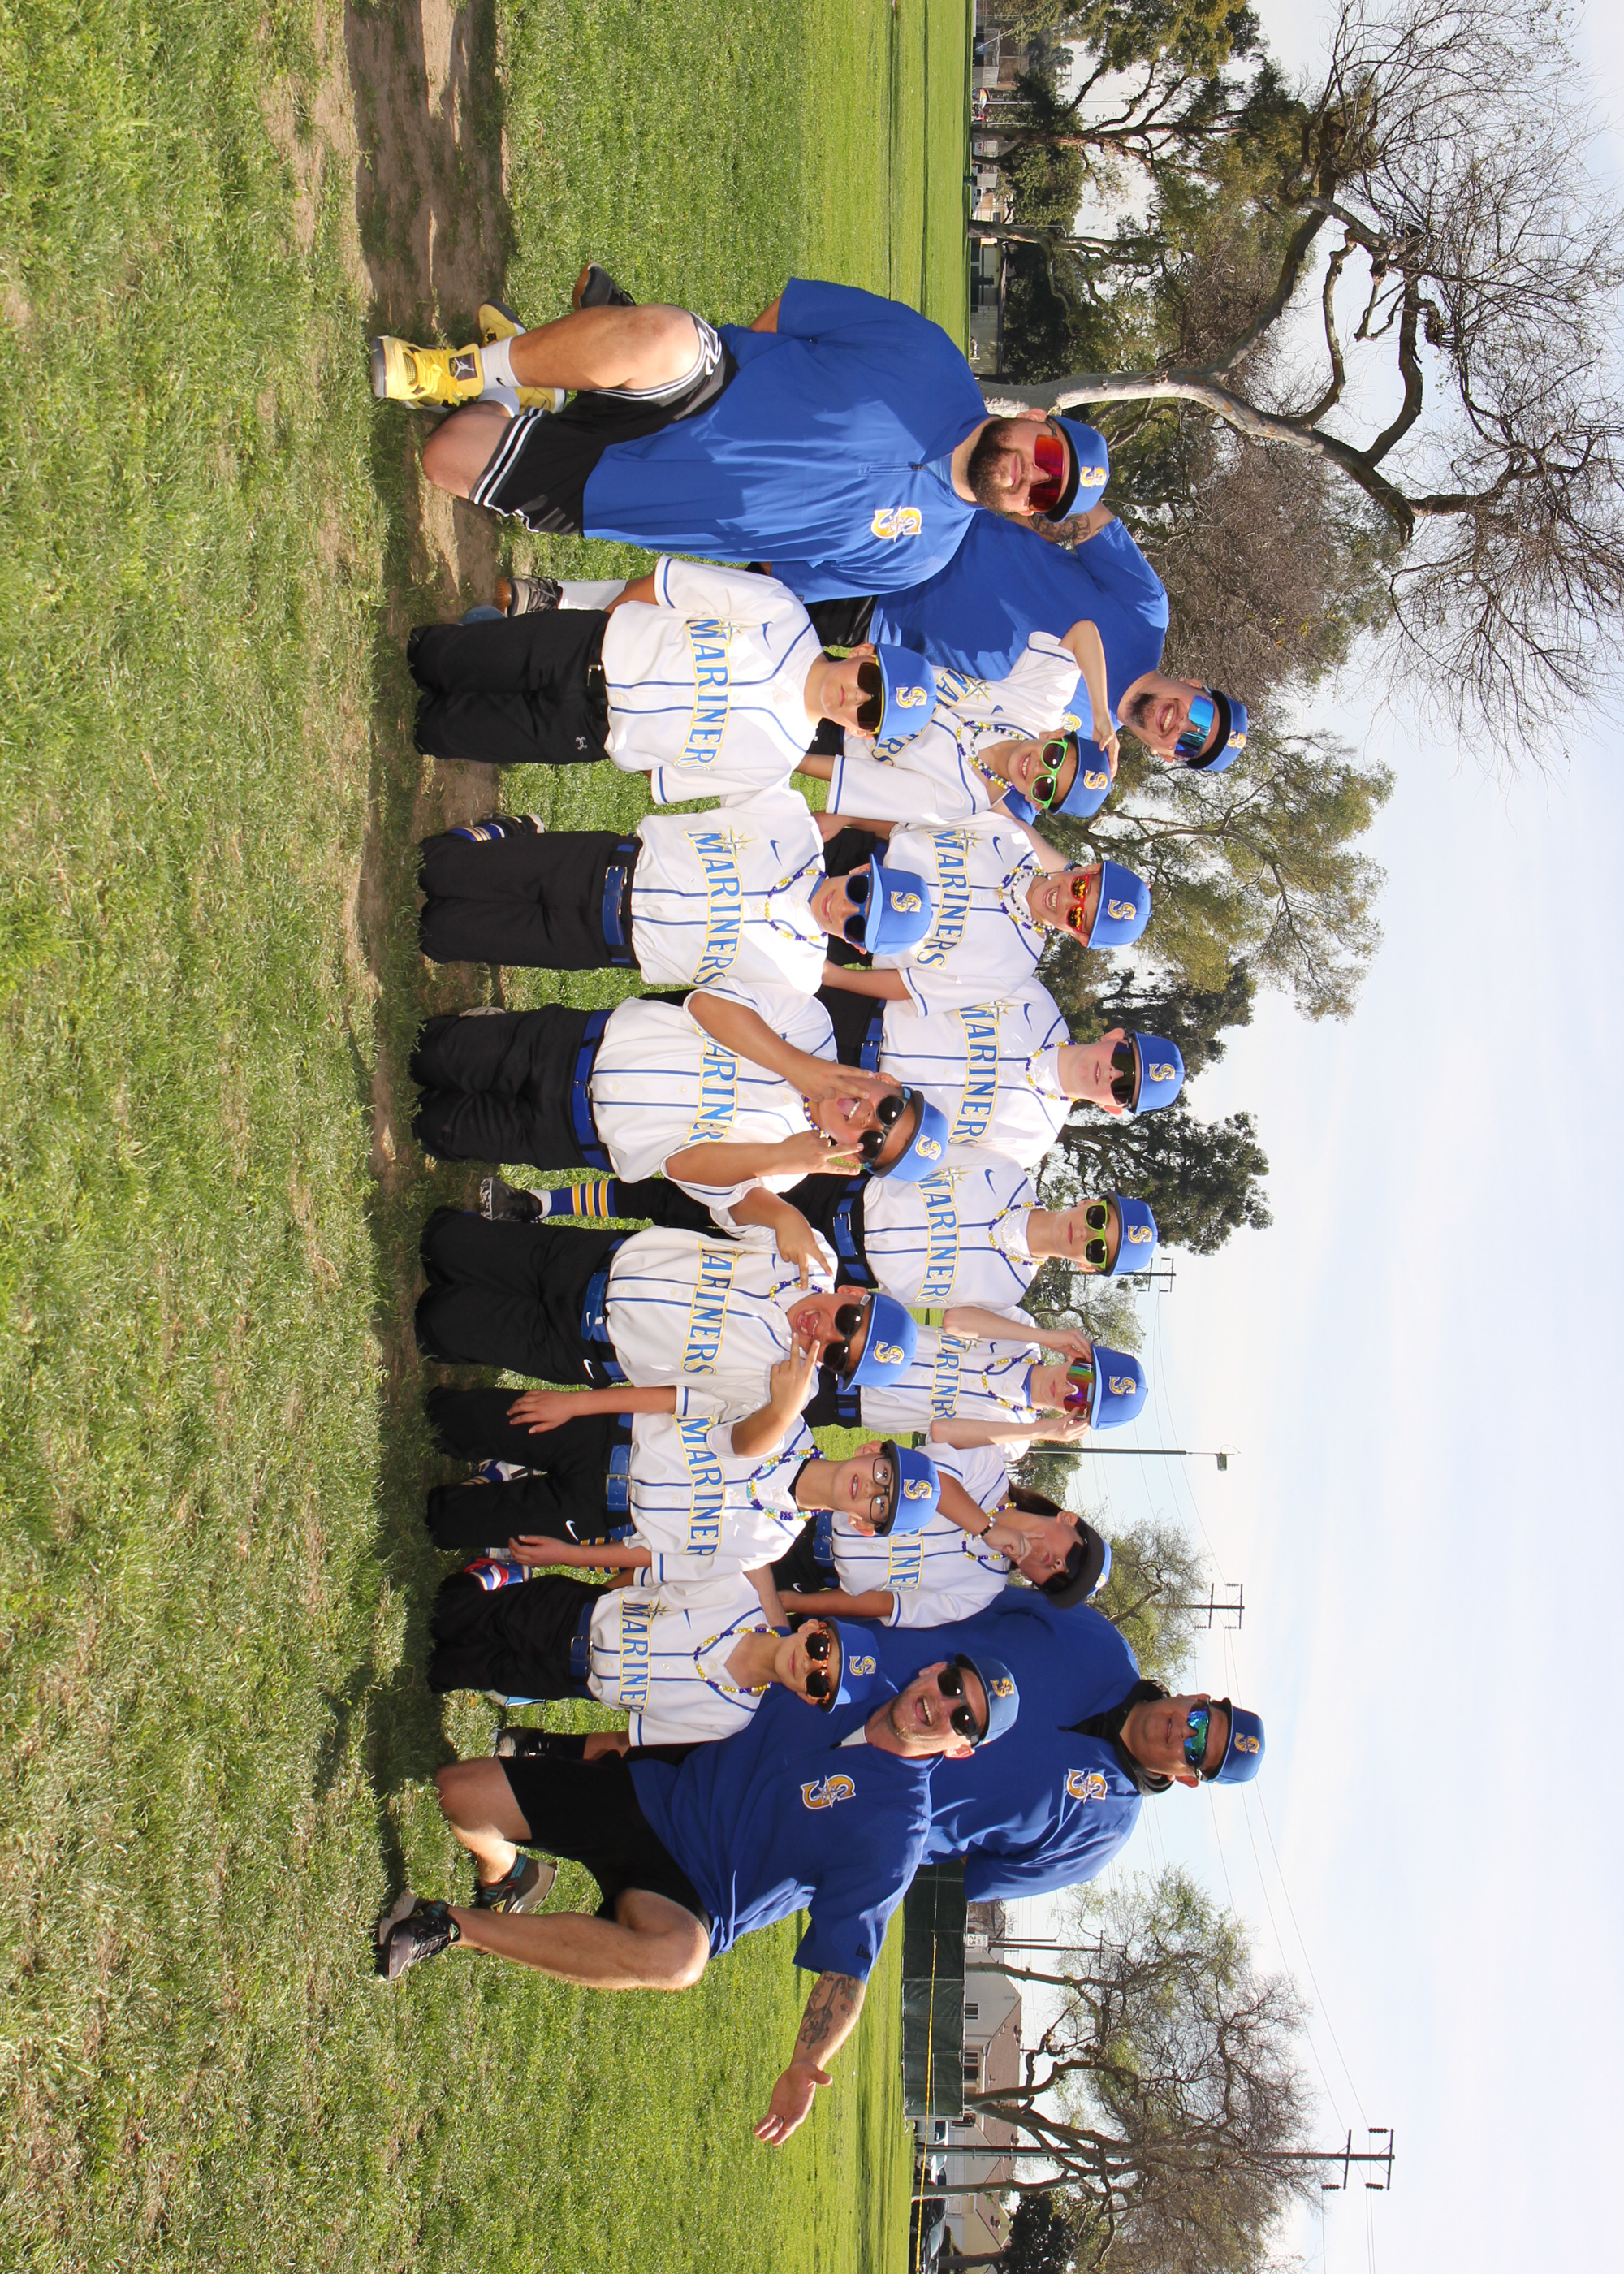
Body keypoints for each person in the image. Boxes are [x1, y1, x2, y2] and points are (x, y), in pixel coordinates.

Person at [374, 1645, 1021, 2147]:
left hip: (690, 1895)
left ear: (961, 1750)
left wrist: (806, 2063)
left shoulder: (897, 1832)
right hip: (650, 1799)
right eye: (951, 1685)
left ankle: (448, 1926)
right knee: (458, 1793)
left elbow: (848, 1968)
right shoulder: (844, 1673)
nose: (943, 1706)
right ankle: (510, 1877)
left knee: (682, 1960)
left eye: (963, 1719)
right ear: (933, 1669)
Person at [369, 275, 1109, 597]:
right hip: (693, 392)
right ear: (1035, 421)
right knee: (664, 336)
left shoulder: (923, 557)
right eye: (1047, 456)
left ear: (1029, 514)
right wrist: (724, 380)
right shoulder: (929, 355)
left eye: (1046, 495)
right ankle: (456, 370)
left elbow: (774, 578)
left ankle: (540, 386)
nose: (1031, 477)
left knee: (447, 458)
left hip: (638, 497)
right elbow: (789, 314)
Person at [409, 970, 950, 1242]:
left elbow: (680, 1167)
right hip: (569, 1048)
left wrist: (778, 1156)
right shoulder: (812, 1028)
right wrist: (798, 1068)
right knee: (427, 1053)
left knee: (434, 1130)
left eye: (874, 1143)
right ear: (885, 1082)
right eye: (888, 1111)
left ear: (855, 1158)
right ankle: (483, 1034)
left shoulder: (785, 1169)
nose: (868, 1121)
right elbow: (706, 1004)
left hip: (568, 1131)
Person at [853, 1594, 1266, 1900]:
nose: (1185, 1733)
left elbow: (982, 1873)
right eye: (1200, 1720)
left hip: (852, 1807)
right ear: (1198, 1698)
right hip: (848, 1663)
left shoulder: (1100, 1838)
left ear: (1190, 1780)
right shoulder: (1102, 1641)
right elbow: (974, 1598)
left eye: (1197, 1753)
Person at [406, 558, 886, 803]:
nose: (856, 697)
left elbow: (665, 776)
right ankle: (480, 637)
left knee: (434, 732)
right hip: (580, 649)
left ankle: (480, 648)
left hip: (585, 732)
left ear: (859, 732)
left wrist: (624, 740)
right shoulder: (783, 613)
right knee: (429, 657)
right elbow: (665, 586)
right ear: (863, 652)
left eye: (868, 712)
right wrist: (603, 629)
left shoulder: (779, 759)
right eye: (870, 679)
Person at [413, 1213, 921, 1436]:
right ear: (853, 1293)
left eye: (838, 1354)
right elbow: (734, 1200)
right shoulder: (809, 1255)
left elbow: (677, 1401)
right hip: (588, 1262)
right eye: (848, 1320)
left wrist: (575, 1405)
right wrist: (782, 1211)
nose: (825, 1334)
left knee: (437, 1323)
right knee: (441, 1243)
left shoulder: (787, 1389)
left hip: (585, 1346)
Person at [415, 789, 935, 987]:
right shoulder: (793, 823)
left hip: (600, 942)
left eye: (858, 925)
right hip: (599, 866)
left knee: (436, 935)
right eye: (862, 893)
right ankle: (508, 837)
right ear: (862, 871)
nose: (844, 908)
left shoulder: (797, 976)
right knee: (433, 869)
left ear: (857, 947)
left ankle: (502, 847)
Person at [481, 1161, 1160, 1311]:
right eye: (1099, 1219)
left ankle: (543, 1251)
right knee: (679, 1194)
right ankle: (540, 1202)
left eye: (1097, 1250)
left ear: (1088, 1269)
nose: (1085, 1234)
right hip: (834, 1194)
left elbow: (945, 1322)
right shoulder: (1008, 1172)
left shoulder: (1007, 1291)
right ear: (1092, 1200)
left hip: (834, 1266)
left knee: (690, 1256)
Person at [813, 974, 1186, 1168]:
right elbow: (924, 984)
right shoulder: (1035, 999)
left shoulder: (1031, 1144)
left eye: (1125, 1089)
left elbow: (920, 1161)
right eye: (1125, 1060)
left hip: (845, 1115)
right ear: (1115, 1036)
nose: (1114, 1074)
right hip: (854, 1019)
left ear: (1113, 1109)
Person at [818, 821, 1151, 1011]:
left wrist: (833, 975)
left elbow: (912, 986)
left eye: (1078, 918)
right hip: (850, 854)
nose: (1066, 900)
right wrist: (846, 818)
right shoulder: (1013, 835)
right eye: (1081, 889)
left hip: (851, 935)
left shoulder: (1013, 969)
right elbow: (912, 820)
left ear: (1079, 937)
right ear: (1087, 870)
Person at [773, 1445, 1112, 1630]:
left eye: (1058, 1582)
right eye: (1073, 1557)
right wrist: (988, 1530)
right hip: (815, 1505)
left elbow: (886, 1603)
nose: (1058, 1566)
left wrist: (793, 1603)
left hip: (810, 1573)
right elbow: (935, 1481)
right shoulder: (989, 1469)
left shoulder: (982, 1592)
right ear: (1068, 1519)